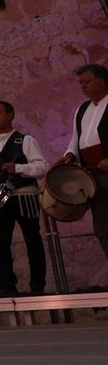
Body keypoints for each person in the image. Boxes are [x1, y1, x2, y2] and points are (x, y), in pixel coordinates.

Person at [0, 101, 48, 296]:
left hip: (24, 195)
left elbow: (42, 168)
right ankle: (7, 286)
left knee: (32, 241)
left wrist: (18, 168)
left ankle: (37, 286)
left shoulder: (26, 140)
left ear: (10, 115)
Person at [61, 62, 108, 260]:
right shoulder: (81, 110)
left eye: (87, 81)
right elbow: (76, 138)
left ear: (102, 80)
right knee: (103, 227)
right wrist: (70, 154)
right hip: (92, 176)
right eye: (80, 83)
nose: (83, 86)